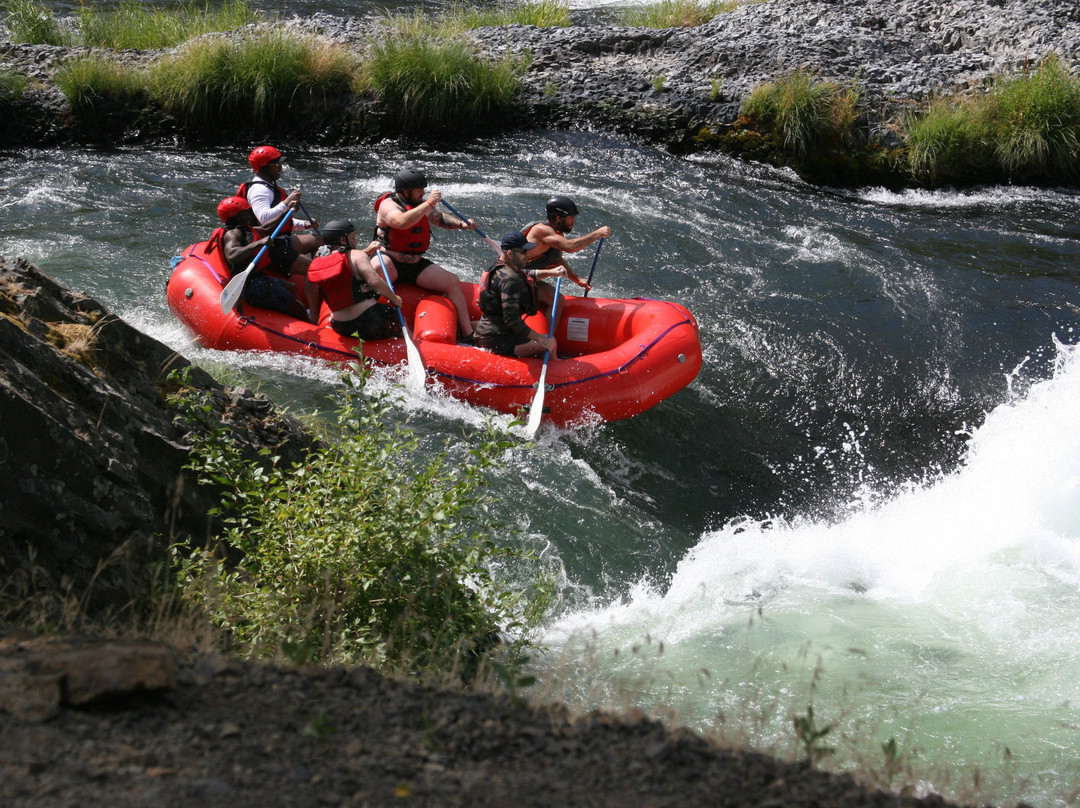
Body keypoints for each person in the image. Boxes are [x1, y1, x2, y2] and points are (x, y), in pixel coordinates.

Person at [374, 168, 476, 342]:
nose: (423, 193)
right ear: (406, 191)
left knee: (452, 281)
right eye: (419, 190)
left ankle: (468, 334)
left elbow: (439, 218)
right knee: (376, 269)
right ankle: (370, 321)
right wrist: (428, 203)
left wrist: (461, 224)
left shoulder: (420, 204)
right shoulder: (388, 205)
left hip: (414, 263)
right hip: (389, 258)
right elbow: (400, 222)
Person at [210, 195, 318, 321]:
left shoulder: (245, 229)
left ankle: (302, 316)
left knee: (292, 288)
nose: (251, 214)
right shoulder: (232, 233)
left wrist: (287, 212)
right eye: (246, 212)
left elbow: (266, 229)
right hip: (250, 285)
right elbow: (232, 255)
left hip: (258, 278)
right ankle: (308, 322)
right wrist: (259, 243)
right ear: (236, 217)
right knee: (297, 307)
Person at [474, 231, 568, 358]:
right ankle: (555, 367)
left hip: (491, 333)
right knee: (551, 343)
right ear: (510, 253)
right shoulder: (510, 280)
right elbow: (512, 320)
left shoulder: (498, 264)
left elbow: (524, 273)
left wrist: (551, 272)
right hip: (498, 341)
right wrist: (539, 338)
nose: (527, 255)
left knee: (545, 341)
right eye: (523, 252)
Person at [307, 219, 403, 341]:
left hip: (340, 325)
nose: (356, 241)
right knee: (396, 318)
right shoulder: (356, 255)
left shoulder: (318, 262)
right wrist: (395, 299)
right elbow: (374, 282)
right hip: (369, 320)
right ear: (343, 240)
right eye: (353, 238)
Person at [521, 195, 611, 306]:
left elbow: (557, 260)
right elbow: (570, 247)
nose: (574, 221)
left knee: (558, 300)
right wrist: (597, 234)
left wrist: (577, 280)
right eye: (571, 217)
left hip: (527, 277)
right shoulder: (541, 230)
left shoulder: (556, 233)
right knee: (558, 301)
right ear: (558, 218)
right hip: (514, 277)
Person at [239, 145, 323, 255]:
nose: (280, 167)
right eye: (276, 164)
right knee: (319, 241)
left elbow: (280, 220)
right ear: (264, 167)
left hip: (277, 239)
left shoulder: (268, 186)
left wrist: (304, 224)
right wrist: (287, 202)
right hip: (269, 244)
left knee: (321, 240)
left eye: (280, 163)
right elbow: (265, 219)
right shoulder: (259, 190)